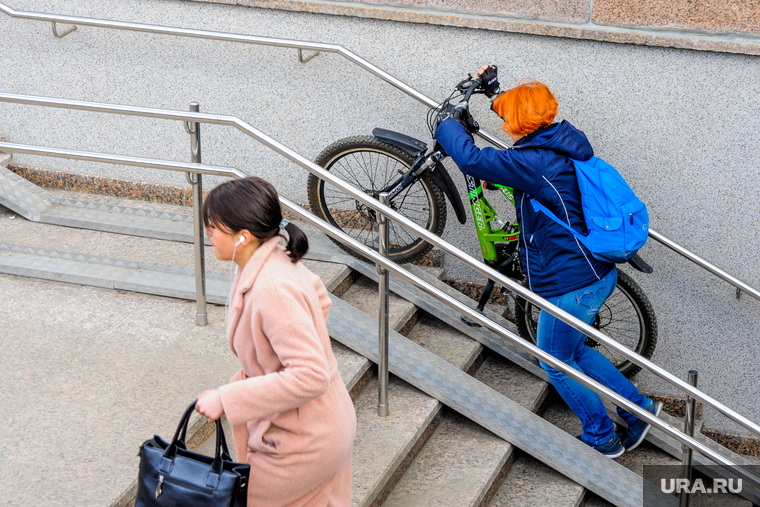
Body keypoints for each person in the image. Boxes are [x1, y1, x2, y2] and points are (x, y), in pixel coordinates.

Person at [433, 67, 660, 458]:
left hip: (569, 284)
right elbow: (523, 115)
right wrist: (495, 93)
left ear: (520, 122)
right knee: (576, 351)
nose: (503, 124)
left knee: (555, 362)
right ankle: (639, 412)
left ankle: (601, 436)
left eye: (506, 118)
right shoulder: (560, 140)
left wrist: (447, 126)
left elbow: (471, 160)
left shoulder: (531, 162)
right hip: (595, 272)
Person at [195, 176, 356, 506]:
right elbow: (320, 298)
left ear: (244, 236)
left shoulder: (271, 286)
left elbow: (310, 375)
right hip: (322, 422)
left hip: (303, 440)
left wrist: (228, 398)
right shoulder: (271, 258)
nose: (208, 232)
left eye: (214, 225)